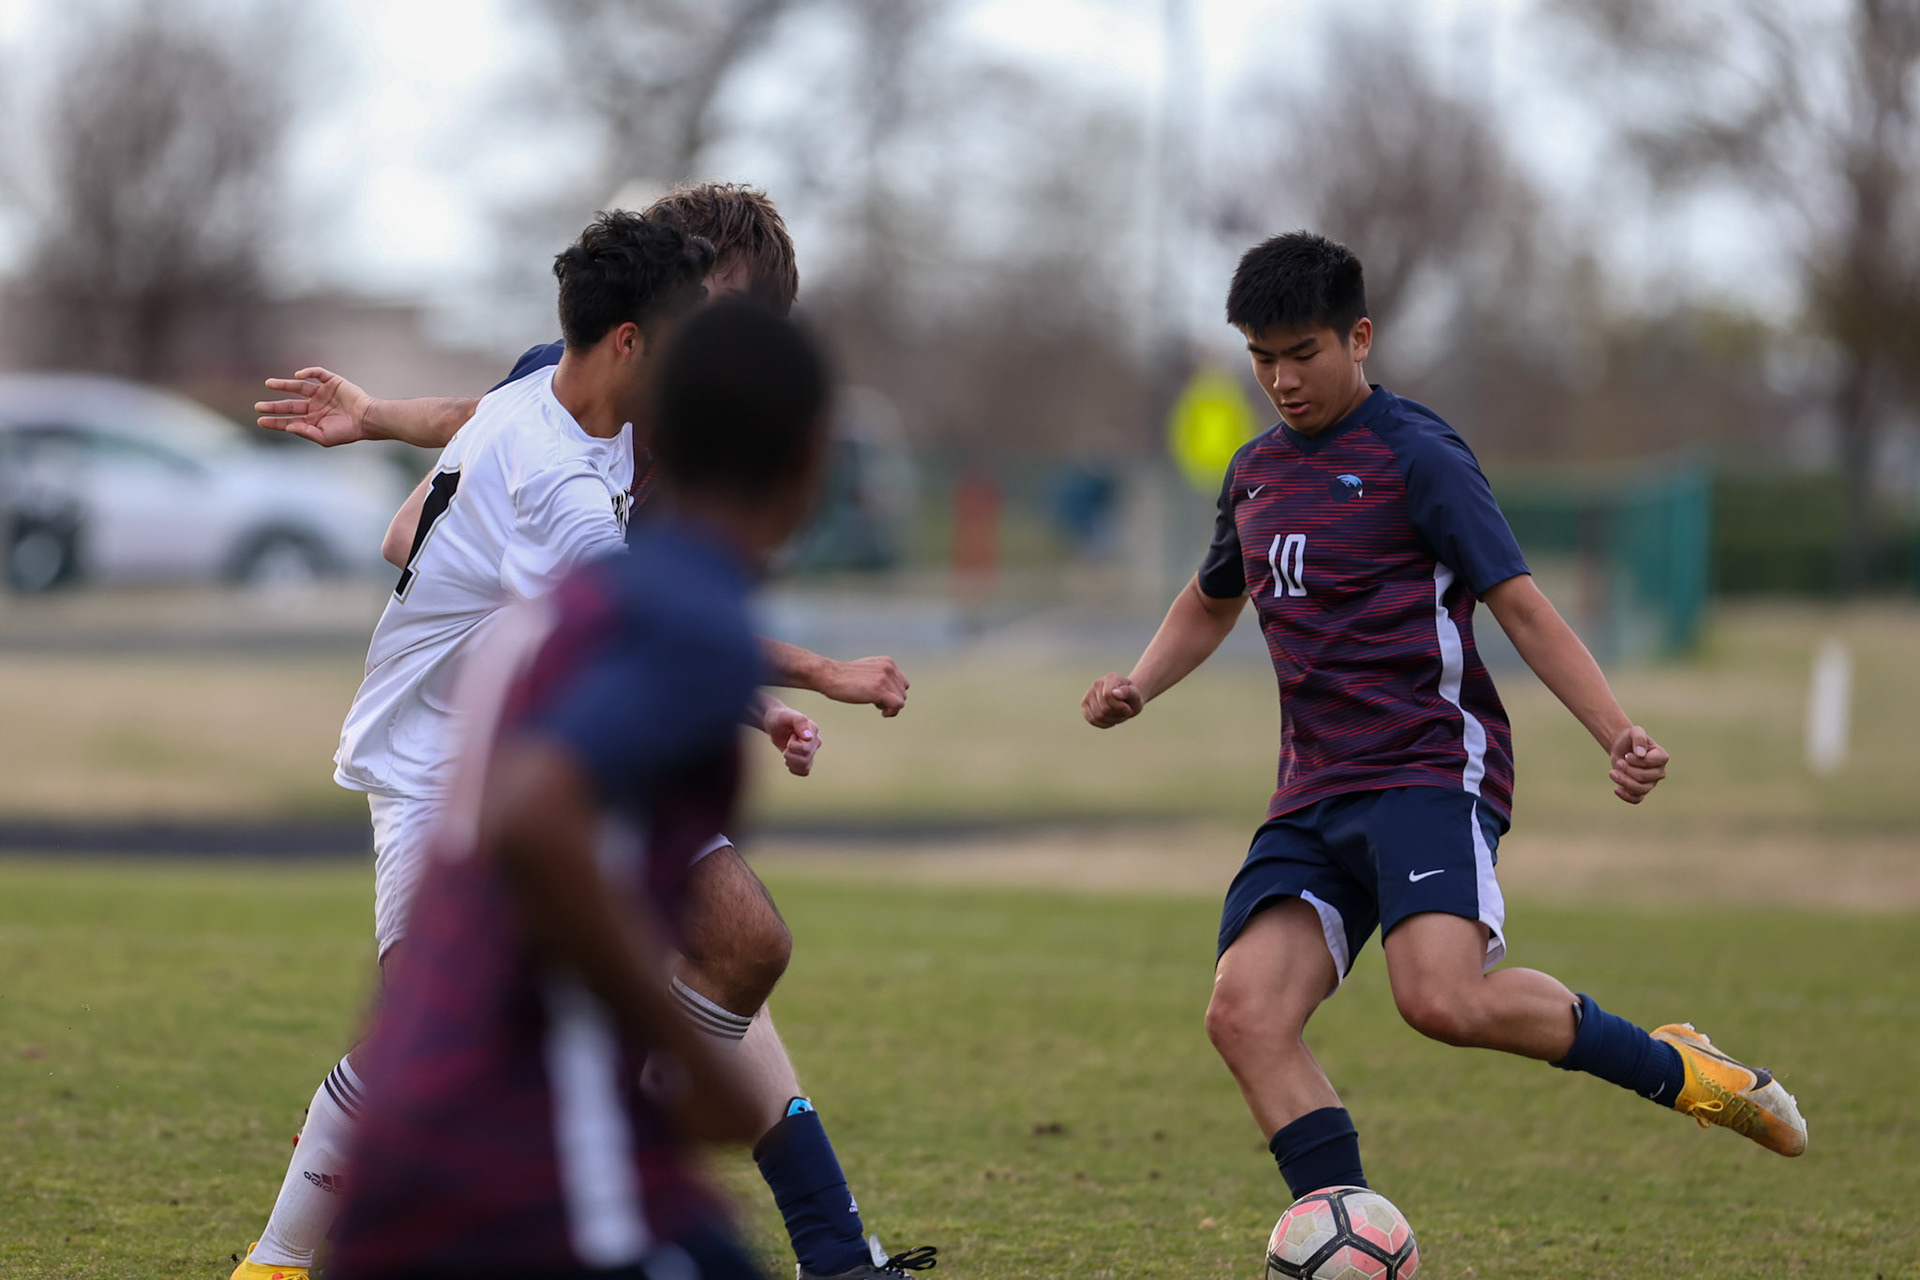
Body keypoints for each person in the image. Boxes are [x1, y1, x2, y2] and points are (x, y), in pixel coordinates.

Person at [235, 200, 931, 1280]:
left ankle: (830, 1244)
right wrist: (800, 673)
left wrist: (378, 421)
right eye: (696, 309)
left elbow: (622, 596)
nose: (711, 341)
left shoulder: (651, 445)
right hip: (458, 753)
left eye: (731, 321)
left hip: (569, 728)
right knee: (440, 1029)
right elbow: (494, 488)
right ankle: (283, 1256)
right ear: (637, 331)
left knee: (744, 940)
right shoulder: (573, 446)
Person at [1080, 231, 1806, 1211]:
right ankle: (1351, 1230)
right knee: (1246, 1010)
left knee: (1442, 998)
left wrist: (1617, 733)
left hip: (1426, 768)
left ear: (1360, 336)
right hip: (1312, 789)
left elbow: (1523, 606)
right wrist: (1139, 683)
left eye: (1304, 353)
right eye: (1263, 357)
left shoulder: (1417, 455)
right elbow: (1213, 600)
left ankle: (1676, 1066)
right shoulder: (1254, 473)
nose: (1283, 379)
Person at [326, 298, 843, 1280]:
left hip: (410, 1143)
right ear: (810, 461)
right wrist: (674, 1051)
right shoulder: (675, 618)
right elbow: (536, 809)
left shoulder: (572, 604)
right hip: (524, 1176)